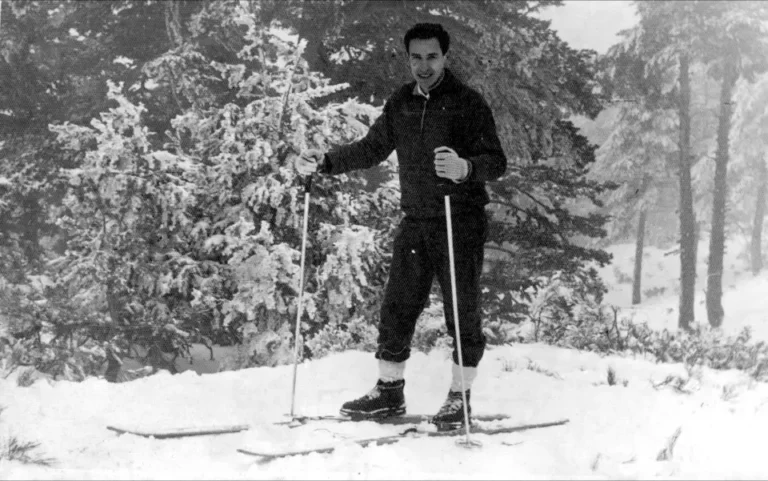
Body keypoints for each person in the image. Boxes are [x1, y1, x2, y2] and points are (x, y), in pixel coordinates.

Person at [295, 22, 506, 429]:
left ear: (445, 57)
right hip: (416, 220)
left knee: (462, 312)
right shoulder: (401, 103)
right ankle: (389, 392)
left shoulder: (468, 103)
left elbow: (496, 161)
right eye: (416, 57)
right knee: (398, 306)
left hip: (457, 219)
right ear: (407, 57)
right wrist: (325, 162)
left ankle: (460, 398)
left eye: (431, 57)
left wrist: (465, 168)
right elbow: (372, 148)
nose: (423, 66)